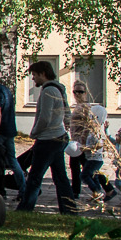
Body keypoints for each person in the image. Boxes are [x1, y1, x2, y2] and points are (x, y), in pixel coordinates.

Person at [17, 61, 75, 214]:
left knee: (35, 177)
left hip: (47, 140)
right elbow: (67, 112)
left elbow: (45, 117)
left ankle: (25, 209)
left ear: (43, 74)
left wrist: (34, 132)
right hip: (58, 137)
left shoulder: (48, 91)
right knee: (60, 178)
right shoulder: (59, 88)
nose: (33, 78)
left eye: (34, 75)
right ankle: (69, 210)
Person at [67, 79, 110, 200]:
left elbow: (88, 125)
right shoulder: (78, 106)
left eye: (80, 91)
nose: (77, 94)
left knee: (83, 168)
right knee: (87, 169)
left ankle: (81, 191)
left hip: (81, 143)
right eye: (75, 92)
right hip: (76, 142)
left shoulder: (85, 107)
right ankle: (107, 189)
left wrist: (83, 141)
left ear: (85, 93)